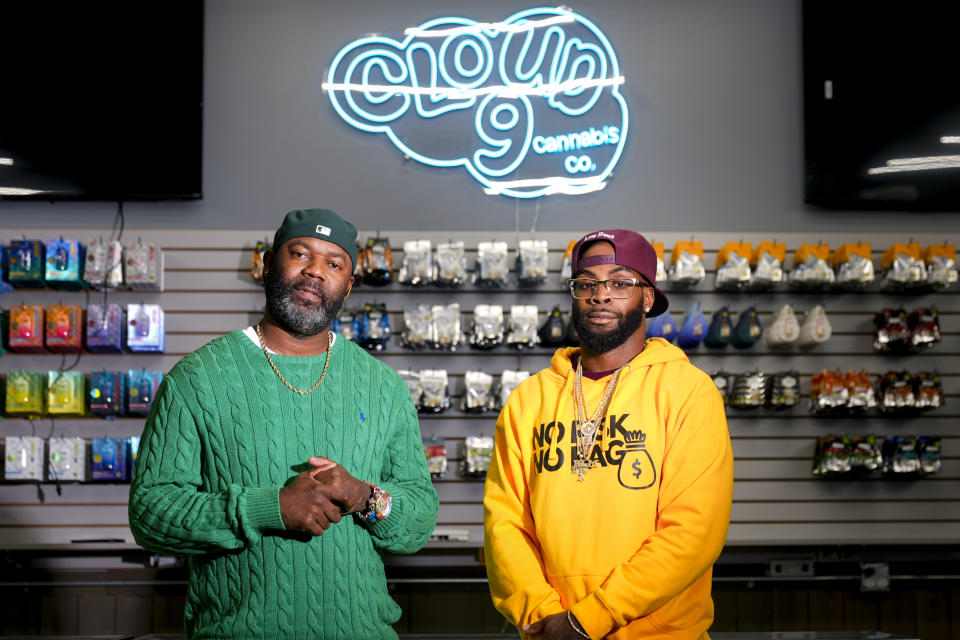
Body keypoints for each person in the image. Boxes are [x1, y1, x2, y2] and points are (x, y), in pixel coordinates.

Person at [129, 208, 439, 640]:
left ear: (348, 286)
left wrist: (362, 495)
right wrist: (269, 508)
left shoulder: (383, 387)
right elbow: (151, 514)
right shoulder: (197, 379)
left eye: (334, 264)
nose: (315, 271)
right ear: (268, 263)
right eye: (301, 254)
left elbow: (419, 521)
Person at [483, 229, 734, 640]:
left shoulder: (689, 391)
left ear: (648, 297)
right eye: (587, 284)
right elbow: (505, 524)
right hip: (548, 631)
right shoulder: (529, 399)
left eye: (620, 283)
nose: (601, 295)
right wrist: (544, 617)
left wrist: (589, 619)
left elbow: (693, 530)